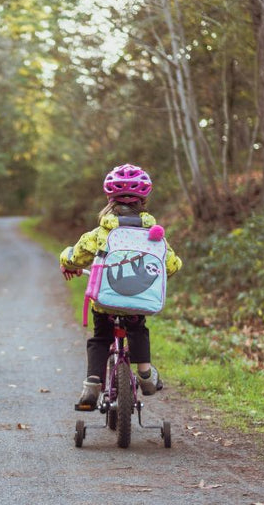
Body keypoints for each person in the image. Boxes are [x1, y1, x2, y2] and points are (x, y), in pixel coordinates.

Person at [59, 163, 183, 411]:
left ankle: (92, 385)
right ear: (144, 200)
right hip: (137, 302)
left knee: (100, 338)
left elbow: (77, 255)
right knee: (138, 329)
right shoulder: (153, 234)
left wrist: (66, 260)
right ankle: (146, 374)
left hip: (105, 303)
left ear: (109, 198)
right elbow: (172, 264)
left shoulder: (102, 232)